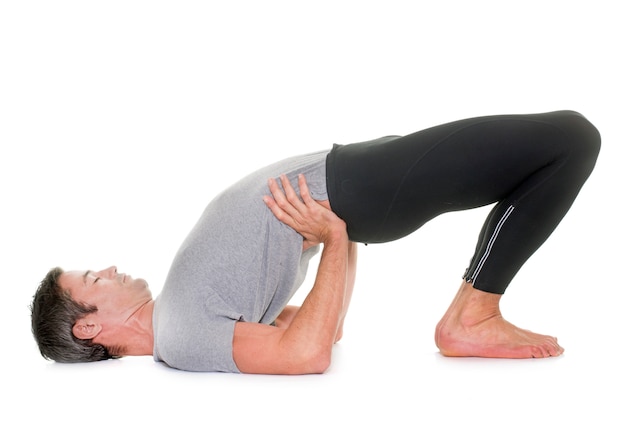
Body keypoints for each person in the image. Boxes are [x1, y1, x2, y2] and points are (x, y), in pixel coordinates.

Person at [31, 110, 601, 374]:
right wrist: (332, 233)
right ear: (89, 327)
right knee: (572, 138)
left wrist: (339, 235)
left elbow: (325, 328)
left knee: (559, 147)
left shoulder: (184, 316)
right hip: (365, 185)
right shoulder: (181, 338)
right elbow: (307, 355)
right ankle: (473, 317)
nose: (108, 268)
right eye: (94, 280)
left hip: (357, 186)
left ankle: (474, 313)